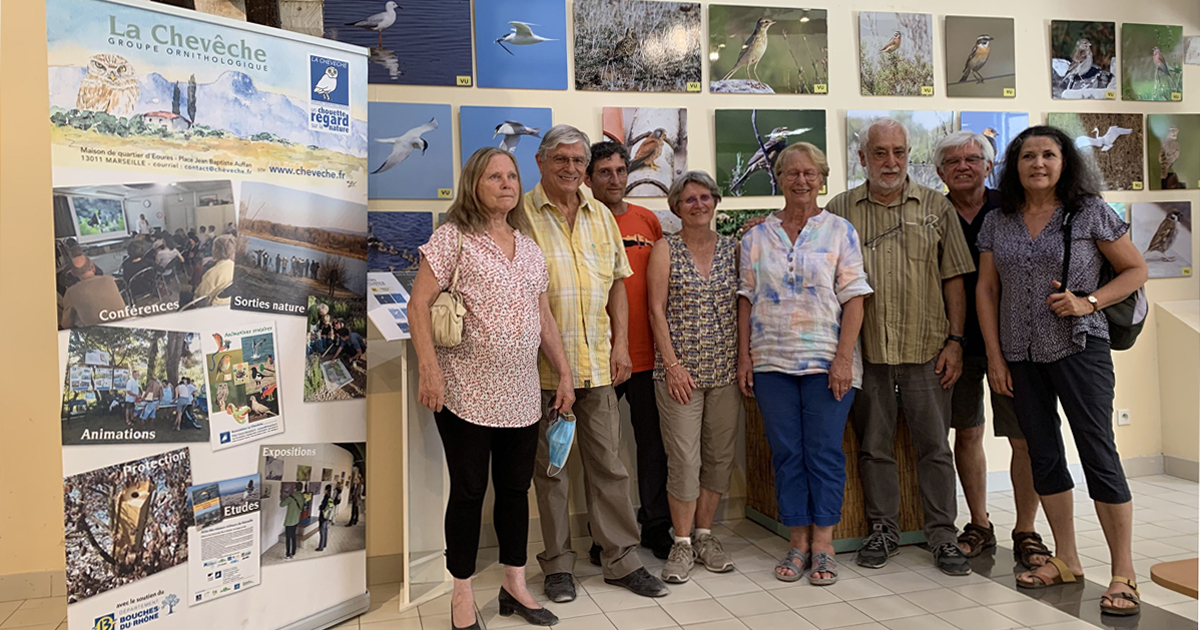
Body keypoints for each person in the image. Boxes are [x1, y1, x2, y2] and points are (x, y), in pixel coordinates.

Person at [976, 125, 1148, 615]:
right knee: (1043, 455)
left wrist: (1088, 301)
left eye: (1048, 155)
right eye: (1028, 156)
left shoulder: (1089, 211)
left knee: (1098, 452)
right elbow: (987, 290)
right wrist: (994, 356)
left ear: (1064, 162)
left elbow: (1136, 270)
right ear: (1016, 165)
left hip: (1079, 347)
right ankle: (1066, 558)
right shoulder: (1000, 220)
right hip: (1020, 353)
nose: (1038, 164)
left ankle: (1123, 573)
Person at [410, 146, 570, 630]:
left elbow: (544, 318)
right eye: (494, 176)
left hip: (522, 393)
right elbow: (419, 306)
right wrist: (430, 370)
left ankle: (514, 583)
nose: (506, 183)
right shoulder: (451, 239)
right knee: (469, 491)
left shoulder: (528, 247)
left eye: (512, 175)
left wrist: (563, 372)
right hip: (464, 392)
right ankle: (460, 596)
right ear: (473, 185)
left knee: (515, 490)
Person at [524, 125, 670, 602]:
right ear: (541, 163)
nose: (570, 169)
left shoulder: (602, 218)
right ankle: (558, 567)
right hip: (544, 371)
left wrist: (621, 345)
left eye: (577, 161)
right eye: (560, 160)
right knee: (552, 473)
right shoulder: (521, 216)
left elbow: (616, 286)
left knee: (610, 465)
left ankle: (621, 560)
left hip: (598, 367)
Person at [826, 117, 976, 576]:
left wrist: (955, 342)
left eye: (898, 152)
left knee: (935, 447)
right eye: (879, 153)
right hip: (866, 353)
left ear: (908, 155)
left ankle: (943, 535)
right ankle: (883, 530)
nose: (890, 162)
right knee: (875, 446)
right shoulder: (840, 210)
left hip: (927, 350)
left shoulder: (935, 207)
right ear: (862, 158)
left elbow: (954, 279)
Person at [737, 144, 873, 585]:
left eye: (809, 173)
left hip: (826, 364)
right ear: (778, 177)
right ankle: (797, 541)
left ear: (822, 178)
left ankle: (824, 544)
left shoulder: (839, 232)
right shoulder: (755, 238)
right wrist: (745, 357)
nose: (801, 181)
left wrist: (842, 360)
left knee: (824, 453)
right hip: (771, 363)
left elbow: (854, 299)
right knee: (787, 454)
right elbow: (746, 300)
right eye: (791, 173)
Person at [934, 131, 1050, 568]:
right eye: (953, 161)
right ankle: (979, 524)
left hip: (1017, 343)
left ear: (989, 164)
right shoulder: (931, 211)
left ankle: (1027, 529)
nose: (963, 166)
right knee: (967, 432)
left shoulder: (1014, 207)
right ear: (940, 172)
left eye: (972, 158)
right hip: (953, 344)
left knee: (1024, 437)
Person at [647, 171, 741, 585]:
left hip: (724, 370)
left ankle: (705, 536)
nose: (699, 205)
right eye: (690, 200)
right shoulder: (666, 250)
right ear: (676, 207)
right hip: (679, 374)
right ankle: (681, 543)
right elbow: (655, 310)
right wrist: (671, 364)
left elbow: (744, 308)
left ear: (716, 202)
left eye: (705, 197)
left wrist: (744, 361)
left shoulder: (733, 250)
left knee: (719, 459)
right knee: (685, 461)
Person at [583, 141, 673, 562]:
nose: (615, 179)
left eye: (621, 171)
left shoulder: (648, 221)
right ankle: (603, 534)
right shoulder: (582, 224)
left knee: (652, 447)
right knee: (603, 452)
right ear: (589, 178)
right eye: (605, 172)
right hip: (600, 358)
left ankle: (656, 525)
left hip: (648, 357)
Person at [60, 256, 125, 329]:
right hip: (124, 325)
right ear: (93, 268)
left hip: (95, 332)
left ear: (73, 273)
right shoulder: (110, 280)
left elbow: (66, 324)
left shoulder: (71, 292)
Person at [195, 234, 236, 305]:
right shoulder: (236, 267)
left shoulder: (212, 273)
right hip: (228, 303)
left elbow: (201, 298)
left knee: (184, 295)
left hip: (210, 306)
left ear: (215, 251)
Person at [280, 486, 306, 560]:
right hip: (296, 520)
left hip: (289, 521)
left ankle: (288, 554)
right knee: (293, 536)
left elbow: (281, 504)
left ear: (295, 489)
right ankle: (293, 553)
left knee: (288, 538)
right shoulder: (301, 496)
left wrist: (286, 497)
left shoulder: (291, 498)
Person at [316, 484, 339, 552]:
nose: (324, 491)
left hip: (323, 517)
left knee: (322, 532)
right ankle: (324, 544)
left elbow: (323, 507)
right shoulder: (330, 497)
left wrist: (320, 507)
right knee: (325, 531)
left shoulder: (326, 498)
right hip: (327, 517)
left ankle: (321, 547)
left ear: (326, 490)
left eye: (324, 489)